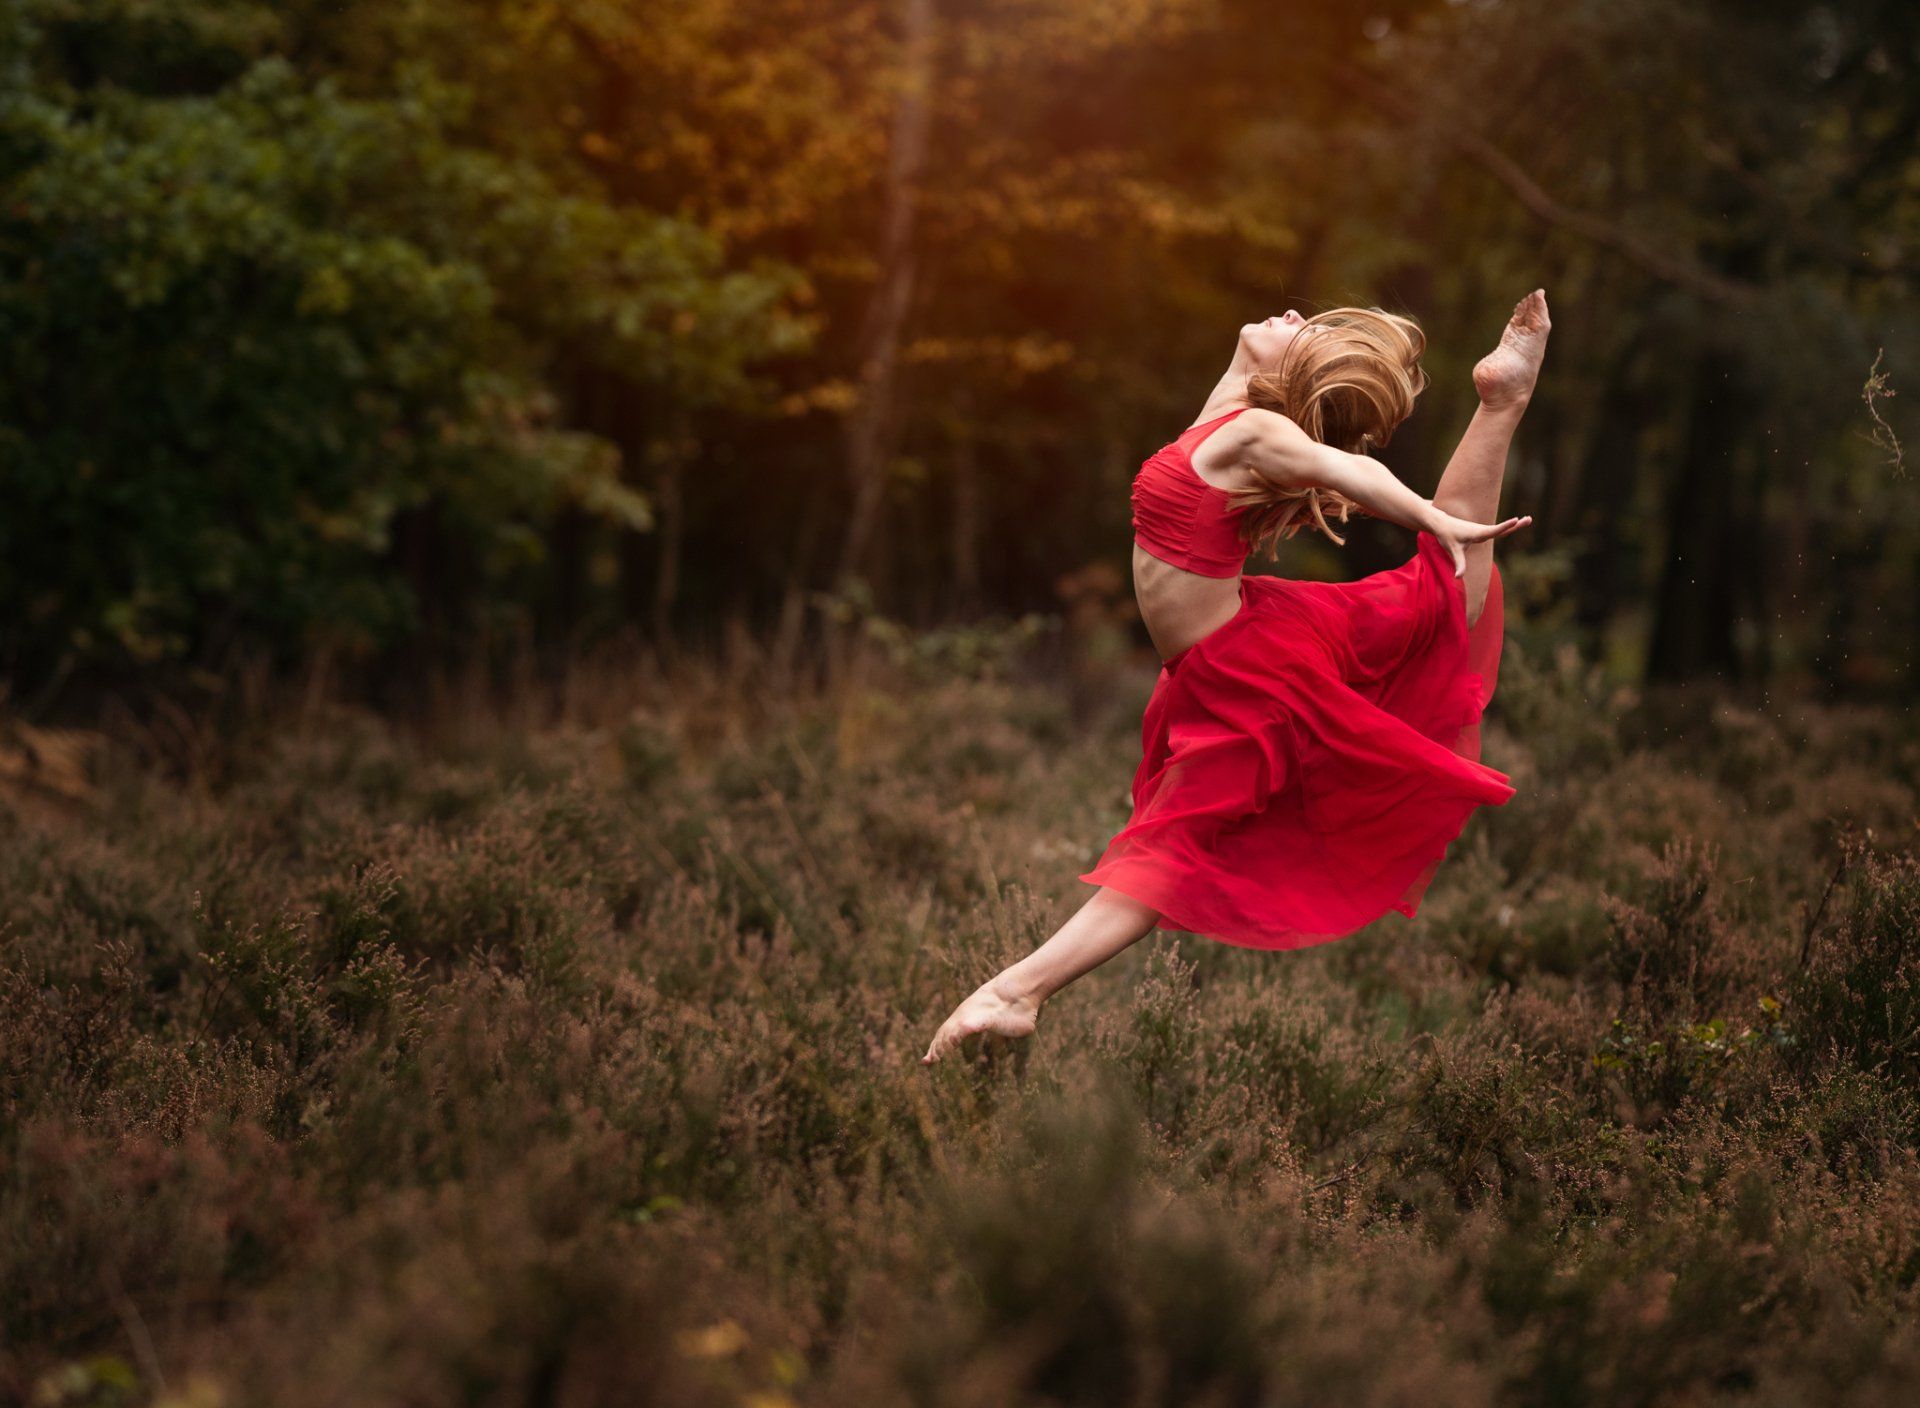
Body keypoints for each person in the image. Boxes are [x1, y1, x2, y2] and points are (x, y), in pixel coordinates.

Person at [922, 291, 1552, 1065]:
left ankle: (1014, 995)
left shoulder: (1259, 432)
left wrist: (1432, 515)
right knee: (1442, 599)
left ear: (1300, 372)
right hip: (1231, 646)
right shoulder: (1229, 406)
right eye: (1298, 319)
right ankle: (1502, 403)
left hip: (1247, 677)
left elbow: (1344, 468)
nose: (1290, 314)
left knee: (1171, 847)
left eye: (1305, 330)